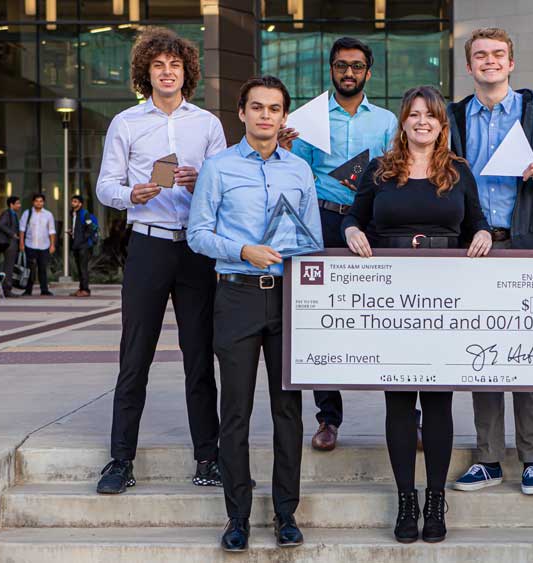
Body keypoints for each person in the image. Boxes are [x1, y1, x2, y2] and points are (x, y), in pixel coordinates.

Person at [343, 85, 493, 544]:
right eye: (414, 114)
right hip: (392, 299)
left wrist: (484, 233)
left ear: (442, 124)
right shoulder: (380, 170)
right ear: (402, 122)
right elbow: (355, 216)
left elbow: (476, 221)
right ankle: (406, 498)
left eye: (431, 115)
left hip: (445, 298)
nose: (422, 121)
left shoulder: (459, 172)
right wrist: (350, 230)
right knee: (399, 401)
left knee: (439, 401)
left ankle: (434, 499)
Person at [447, 27, 533, 496]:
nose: (489, 61)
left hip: (525, 243)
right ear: (469, 66)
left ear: (510, 63)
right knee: (482, 352)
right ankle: (487, 458)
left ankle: (532, 458)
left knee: (528, 353)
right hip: (472, 246)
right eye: (480, 55)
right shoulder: (453, 116)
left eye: (497, 55)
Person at [189, 75, 321, 553]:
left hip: (287, 298)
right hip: (237, 296)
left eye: (275, 109)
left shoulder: (299, 171)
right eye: (257, 107)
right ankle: (237, 517)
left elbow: (312, 240)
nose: (266, 115)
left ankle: (287, 514)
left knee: (288, 411)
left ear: (284, 117)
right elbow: (197, 234)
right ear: (241, 113)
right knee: (236, 411)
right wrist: (244, 249)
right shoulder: (218, 167)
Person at [94, 27, 226, 495]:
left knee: (199, 356)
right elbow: (104, 186)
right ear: (145, 73)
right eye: (158, 65)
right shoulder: (127, 123)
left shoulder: (207, 125)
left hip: (195, 247)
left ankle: (208, 457)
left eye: (175, 65)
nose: (167, 72)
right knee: (135, 355)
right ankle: (120, 459)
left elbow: (222, 190)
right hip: (147, 242)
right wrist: (132, 193)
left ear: (187, 72)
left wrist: (198, 183)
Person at [278, 37, 398, 452]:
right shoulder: (307, 119)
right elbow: (298, 174)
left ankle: (406, 416)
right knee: (321, 317)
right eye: (341, 66)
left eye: (357, 66)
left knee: (387, 317)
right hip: (324, 219)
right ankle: (328, 419)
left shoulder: (385, 121)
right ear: (330, 69)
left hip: (373, 222)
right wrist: (290, 154)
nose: (349, 73)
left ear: (369, 72)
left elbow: (396, 169)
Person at [18, 193, 56, 296]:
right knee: (30, 269)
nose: (39, 203)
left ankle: (44, 289)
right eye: (37, 201)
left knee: (43, 268)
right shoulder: (27, 213)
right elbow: (22, 229)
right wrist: (21, 243)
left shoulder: (48, 214)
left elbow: (51, 231)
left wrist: (52, 245)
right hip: (30, 245)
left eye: (41, 201)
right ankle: (28, 290)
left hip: (44, 245)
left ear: (43, 203)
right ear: (33, 202)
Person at [68, 194, 98, 297]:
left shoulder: (84, 214)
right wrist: (72, 232)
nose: (73, 203)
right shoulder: (73, 214)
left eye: (75, 201)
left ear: (80, 204)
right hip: (77, 245)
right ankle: (81, 289)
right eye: (72, 201)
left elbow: (89, 228)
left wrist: (82, 239)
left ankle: (85, 290)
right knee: (79, 268)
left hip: (83, 246)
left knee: (83, 268)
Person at [0, 196, 22, 297]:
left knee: (9, 267)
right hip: (9, 244)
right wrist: (12, 234)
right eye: (18, 203)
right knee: (8, 267)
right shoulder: (7, 213)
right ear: (11, 204)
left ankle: (7, 288)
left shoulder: (13, 214)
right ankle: (7, 289)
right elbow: (1, 225)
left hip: (12, 244)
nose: (19, 205)